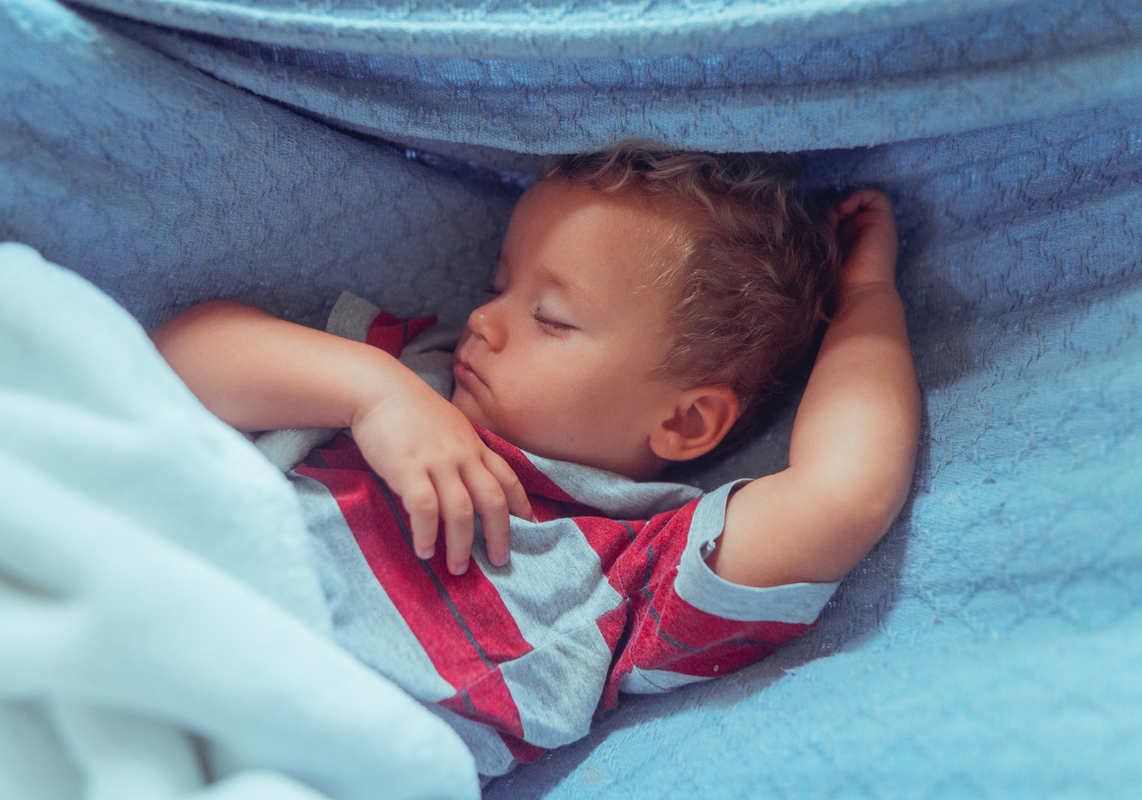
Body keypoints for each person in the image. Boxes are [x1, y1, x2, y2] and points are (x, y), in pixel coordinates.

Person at [150, 145, 919, 774]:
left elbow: (843, 492)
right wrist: (373, 395)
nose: (485, 319)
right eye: (500, 285)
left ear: (684, 419)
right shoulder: (409, 377)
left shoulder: (639, 567)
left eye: (549, 318)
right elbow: (172, 358)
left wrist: (866, 297)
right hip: (167, 610)